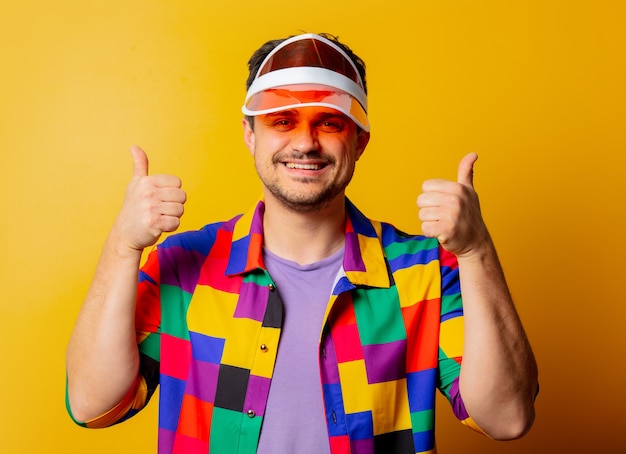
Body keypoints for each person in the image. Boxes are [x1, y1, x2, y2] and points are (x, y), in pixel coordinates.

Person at [66, 33, 538, 453]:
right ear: (250, 135)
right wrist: (122, 245)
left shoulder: (423, 273)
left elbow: (507, 418)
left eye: (329, 123)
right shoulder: (184, 265)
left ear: (360, 139)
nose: (306, 143)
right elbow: (92, 404)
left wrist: (476, 251)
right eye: (283, 121)